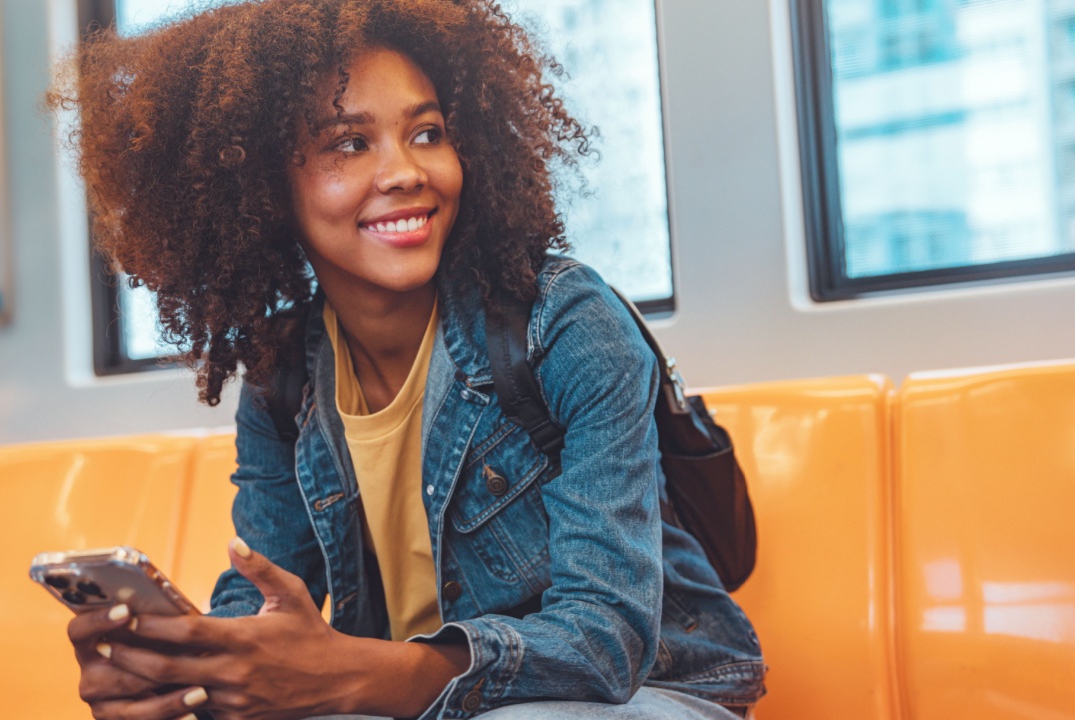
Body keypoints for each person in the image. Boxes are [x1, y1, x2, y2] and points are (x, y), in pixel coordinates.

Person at [49, 1, 765, 718]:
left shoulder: (564, 323)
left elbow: (602, 644)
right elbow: (263, 612)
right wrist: (189, 679)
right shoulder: (283, 379)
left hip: (655, 688)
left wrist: (343, 673)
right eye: (349, 144)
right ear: (264, 188)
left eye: (427, 133)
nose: (405, 171)